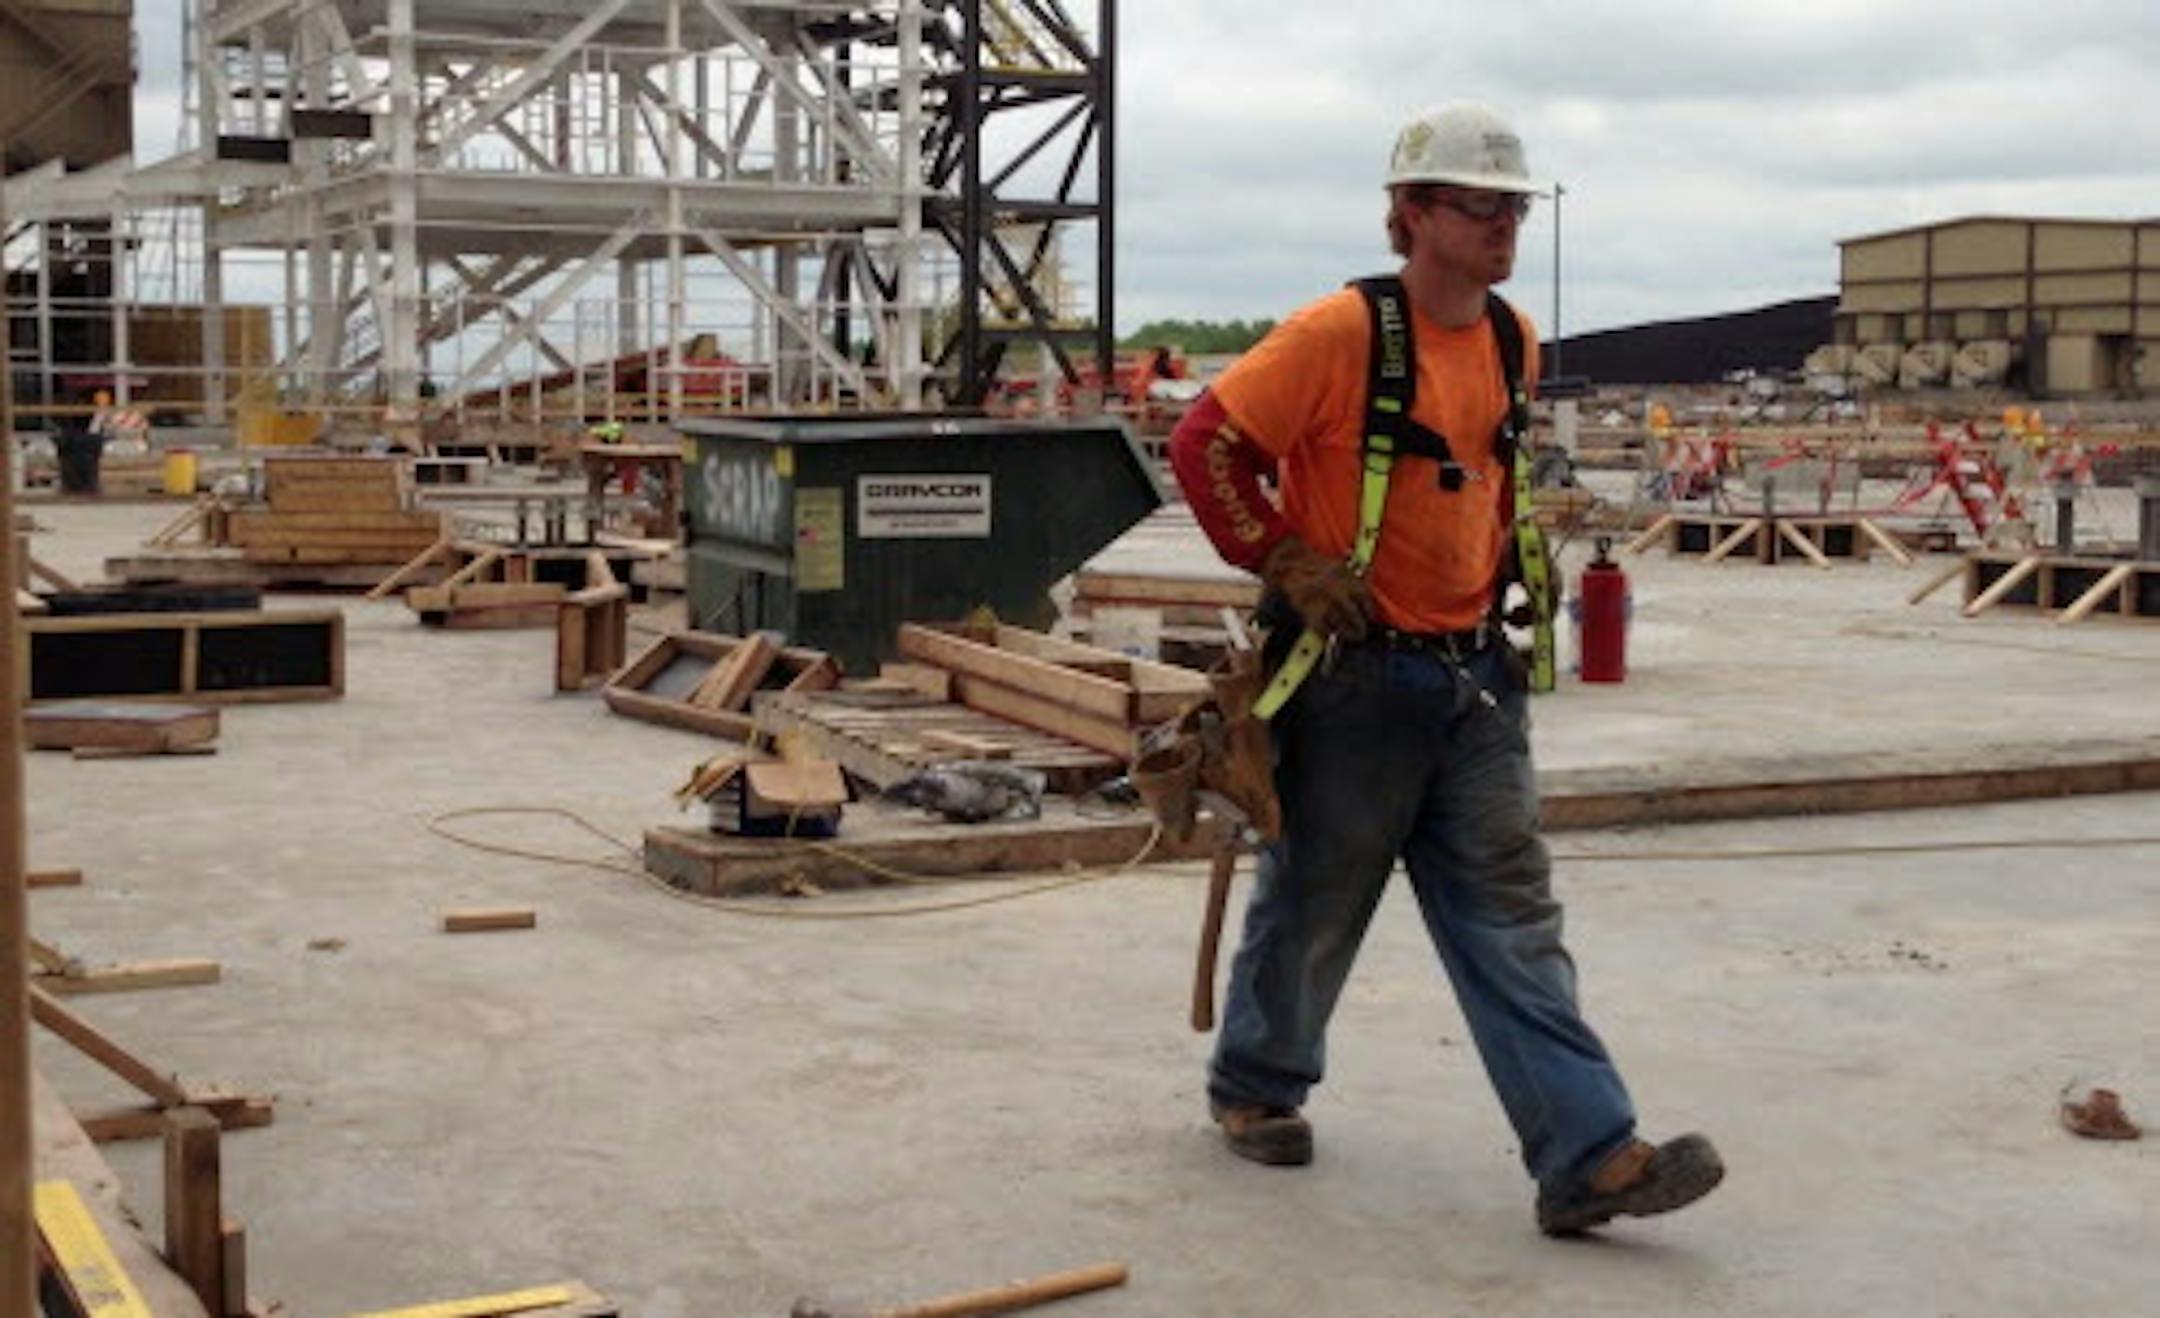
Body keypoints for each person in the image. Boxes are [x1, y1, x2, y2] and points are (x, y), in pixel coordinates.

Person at [1165, 102, 1723, 1236]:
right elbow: (1204, 442)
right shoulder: (1339, 334)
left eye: (1514, 206)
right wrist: (1280, 552)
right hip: (1352, 676)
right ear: (1411, 215)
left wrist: (1520, 563)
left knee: (1512, 914)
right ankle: (1258, 1085)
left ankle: (1589, 1152)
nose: (1504, 225)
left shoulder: (1513, 338)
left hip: (1473, 676)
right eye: (1480, 205)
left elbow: (1481, 467)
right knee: (1318, 897)